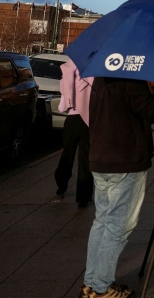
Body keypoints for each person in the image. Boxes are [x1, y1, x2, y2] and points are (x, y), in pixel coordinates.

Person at [81, 76, 154, 298]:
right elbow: (148, 110)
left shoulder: (102, 78)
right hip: (125, 162)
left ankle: (91, 283)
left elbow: (126, 112)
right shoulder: (131, 79)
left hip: (101, 158)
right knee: (118, 226)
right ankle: (102, 287)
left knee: (102, 222)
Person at [54, 59, 93, 207]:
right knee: (86, 158)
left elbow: (64, 91)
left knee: (67, 153)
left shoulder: (70, 67)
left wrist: (67, 103)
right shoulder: (97, 69)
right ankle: (83, 197)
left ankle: (61, 184)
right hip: (89, 119)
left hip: (72, 117)